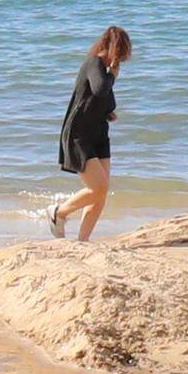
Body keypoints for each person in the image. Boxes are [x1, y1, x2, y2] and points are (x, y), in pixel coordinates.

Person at [51, 24, 130, 240]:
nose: (121, 60)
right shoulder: (94, 63)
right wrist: (112, 76)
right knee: (98, 188)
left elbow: (102, 99)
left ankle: (83, 241)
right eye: (120, 53)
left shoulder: (103, 70)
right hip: (79, 135)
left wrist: (109, 112)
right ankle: (59, 213)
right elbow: (100, 89)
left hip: (99, 135)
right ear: (112, 48)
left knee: (101, 193)